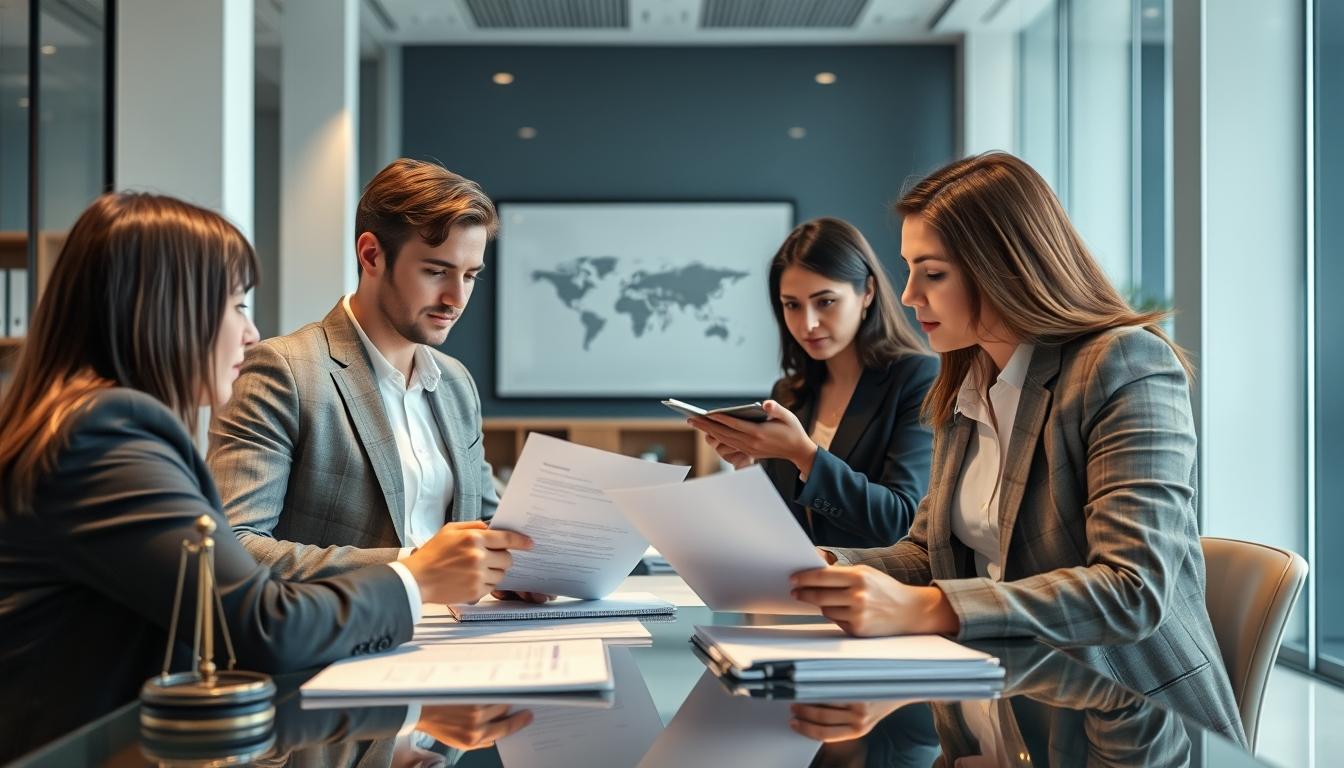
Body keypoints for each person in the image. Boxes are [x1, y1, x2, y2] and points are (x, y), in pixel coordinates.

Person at [0, 193, 532, 760]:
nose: (250, 334)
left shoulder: (100, 426)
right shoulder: (108, 437)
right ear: (164, 310)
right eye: (235, 305)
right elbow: (259, 623)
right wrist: (416, 576)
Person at [787, 153, 1246, 744]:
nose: (906, 295)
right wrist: (822, 571)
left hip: (1130, 724)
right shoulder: (968, 381)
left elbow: (1132, 592)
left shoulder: (1125, 364)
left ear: (1003, 266)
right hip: (1003, 708)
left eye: (932, 273)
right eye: (908, 270)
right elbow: (930, 554)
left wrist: (927, 608)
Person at [207, 158, 543, 602]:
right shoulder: (284, 371)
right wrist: (412, 570)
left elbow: (484, 524)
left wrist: (523, 568)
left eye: (470, 276)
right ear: (371, 255)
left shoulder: (456, 383)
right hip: (341, 654)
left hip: (456, 643)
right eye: (436, 271)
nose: (456, 299)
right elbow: (232, 549)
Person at [688, 217, 937, 548]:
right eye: (792, 305)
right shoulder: (790, 394)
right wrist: (747, 468)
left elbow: (901, 521)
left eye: (826, 301)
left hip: (875, 591)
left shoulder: (917, 378)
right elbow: (780, 535)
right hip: (796, 591)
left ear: (867, 292)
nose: (808, 323)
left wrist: (804, 455)